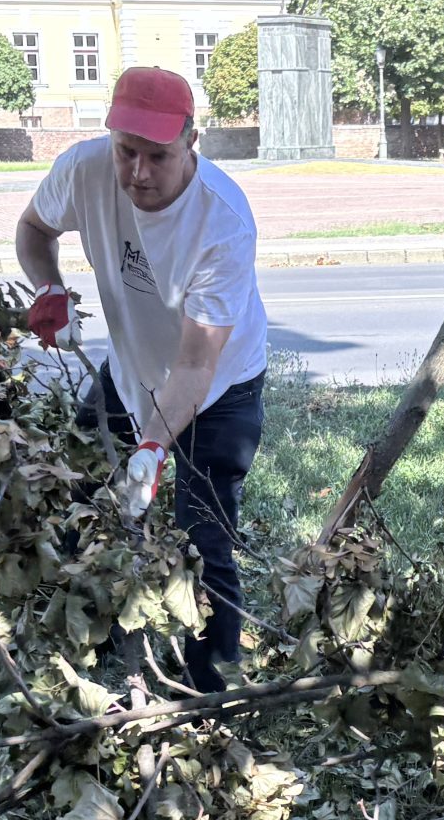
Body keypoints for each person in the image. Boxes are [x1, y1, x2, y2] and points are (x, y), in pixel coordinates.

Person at [17, 65, 268, 693]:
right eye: (127, 151)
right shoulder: (83, 169)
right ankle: (84, 652)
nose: (138, 172)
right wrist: (49, 288)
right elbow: (34, 229)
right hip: (130, 369)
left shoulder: (222, 223)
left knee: (200, 540)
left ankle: (212, 691)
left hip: (218, 388)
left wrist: (152, 448)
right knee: (76, 496)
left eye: (158, 156)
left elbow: (196, 365)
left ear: (191, 143)